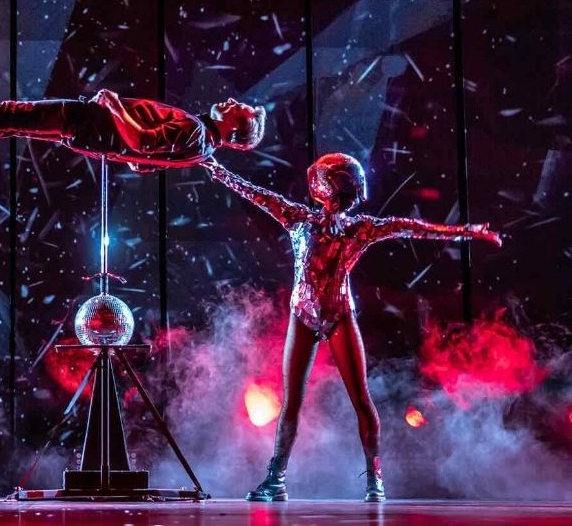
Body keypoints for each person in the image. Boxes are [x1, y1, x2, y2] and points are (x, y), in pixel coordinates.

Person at [203, 153, 503, 503]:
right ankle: (277, 480)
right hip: (306, 314)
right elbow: (253, 193)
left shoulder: (352, 228)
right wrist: (215, 169)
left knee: (358, 399)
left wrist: (466, 232)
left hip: (337, 314)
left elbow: (413, 227)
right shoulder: (305, 220)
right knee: (295, 402)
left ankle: (373, 481)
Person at [0, 88, 265, 172]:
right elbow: (143, 164)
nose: (232, 101)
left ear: (235, 128)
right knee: (9, 123)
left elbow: (144, 145)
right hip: (92, 135)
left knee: (8, 114)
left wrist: (114, 106)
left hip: (89, 122)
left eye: (239, 108)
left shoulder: (196, 132)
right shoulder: (200, 148)